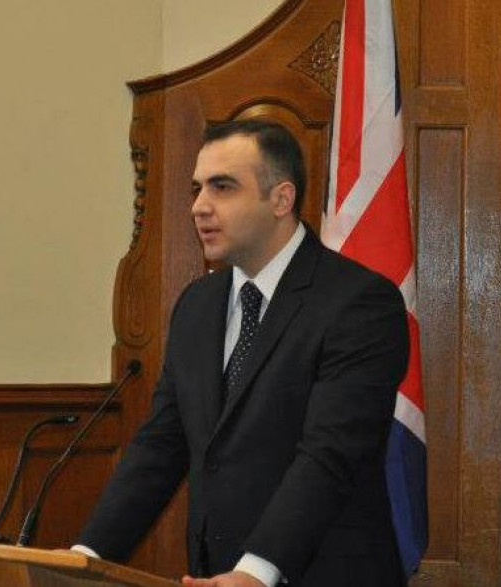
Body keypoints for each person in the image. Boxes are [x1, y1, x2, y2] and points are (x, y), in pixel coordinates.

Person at [76, 120, 409, 587]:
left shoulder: (358, 303)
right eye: (197, 189)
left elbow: (330, 453)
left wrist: (256, 571)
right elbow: (162, 445)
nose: (199, 206)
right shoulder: (197, 305)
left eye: (222, 187)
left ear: (281, 199)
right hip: (215, 575)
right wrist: (86, 557)